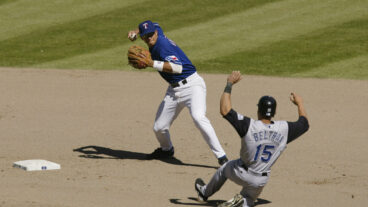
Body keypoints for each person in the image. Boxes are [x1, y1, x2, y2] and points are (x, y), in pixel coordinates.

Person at [194, 71, 310, 207]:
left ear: (258, 110)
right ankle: (242, 201)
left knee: (224, 168)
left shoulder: (249, 125)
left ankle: (204, 193)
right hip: (260, 180)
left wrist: (229, 84)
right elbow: (304, 124)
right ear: (274, 113)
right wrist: (300, 103)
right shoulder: (284, 129)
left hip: (241, 172)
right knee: (249, 199)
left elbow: (225, 110)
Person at [127, 20, 228, 165]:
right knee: (159, 127)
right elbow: (153, 23)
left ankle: (222, 157)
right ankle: (167, 150)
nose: (149, 38)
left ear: (155, 34)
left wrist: (151, 63)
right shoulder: (156, 31)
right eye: (145, 36)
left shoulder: (163, 46)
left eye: (151, 35)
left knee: (199, 117)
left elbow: (177, 68)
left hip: (192, 86)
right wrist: (136, 31)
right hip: (173, 90)